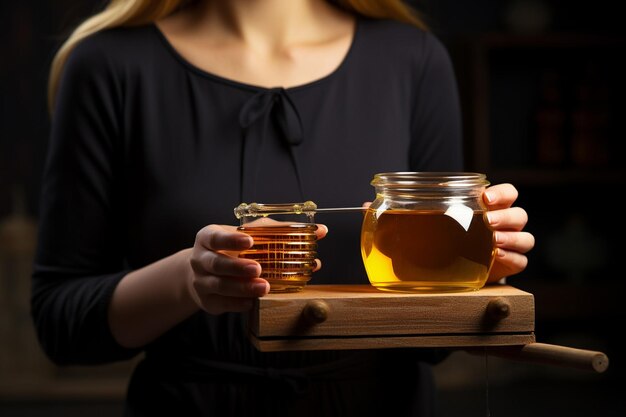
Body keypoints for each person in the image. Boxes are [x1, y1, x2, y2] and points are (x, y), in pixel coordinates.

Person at [32, 0, 535, 416]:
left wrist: (476, 276)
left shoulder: (413, 58)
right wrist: (189, 279)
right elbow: (63, 326)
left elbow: (434, 344)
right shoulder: (107, 64)